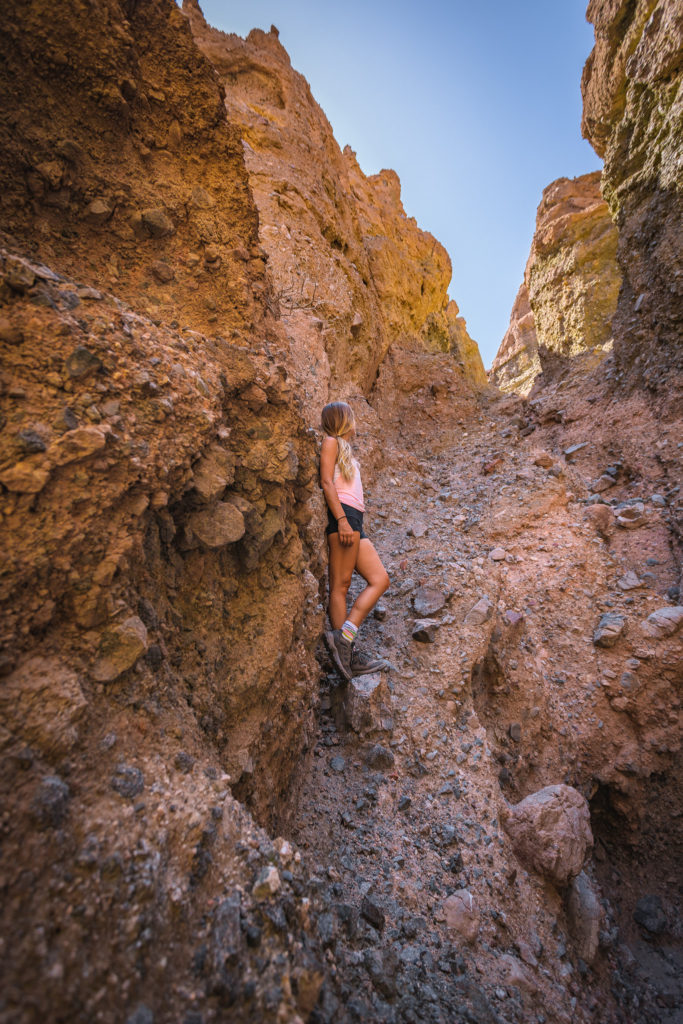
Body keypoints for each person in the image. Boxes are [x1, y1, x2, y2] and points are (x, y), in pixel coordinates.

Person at [319, 401, 390, 681]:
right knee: (341, 586)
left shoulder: (347, 453)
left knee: (380, 579)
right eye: (352, 416)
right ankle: (344, 651)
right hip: (344, 520)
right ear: (344, 419)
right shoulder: (330, 442)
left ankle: (344, 640)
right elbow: (327, 483)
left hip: (355, 521)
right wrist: (342, 521)